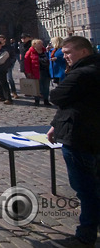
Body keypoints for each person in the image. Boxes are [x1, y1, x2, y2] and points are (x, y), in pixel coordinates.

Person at [47, 36, 100, 248]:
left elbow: (57, 96)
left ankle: (86, 235)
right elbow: (70, 103)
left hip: (79, 137)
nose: (64, 56)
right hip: (90, 135)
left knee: (85, 189)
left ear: (84, 52)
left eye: (68, 53)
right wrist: (55, 124)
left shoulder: (82, 73)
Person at [24, 39, 51, 106]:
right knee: (37, 87)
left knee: (46, 87)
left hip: (46, 71)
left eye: (41, 43)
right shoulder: (30, 52)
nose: (41, 45)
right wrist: (28, 72)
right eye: (39, 44)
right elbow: (26, 63)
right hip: (36, 72)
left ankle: (46, 100)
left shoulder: (45, 51)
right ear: (34, 45)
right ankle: (37, 100)